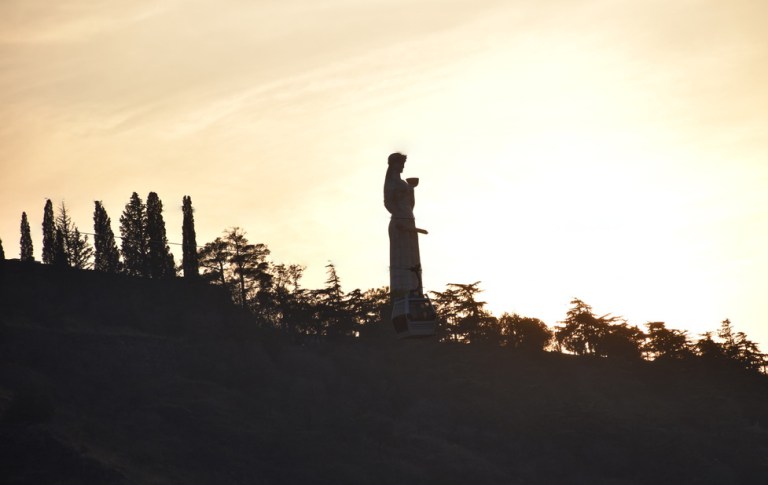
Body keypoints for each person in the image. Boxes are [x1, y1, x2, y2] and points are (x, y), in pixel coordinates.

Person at [384, 152, 426, 300]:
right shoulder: (392, 182)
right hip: (399, 222)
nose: (402, 167)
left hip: (409, 219)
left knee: (412, 258)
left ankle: (415, 292)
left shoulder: (403, 183)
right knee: (401, 258)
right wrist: (399, 217)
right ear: (393, 165)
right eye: (400, 164)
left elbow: (411, 205)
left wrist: (411, 190)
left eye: (403, 164)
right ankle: (402, 294)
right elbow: (388, 202)